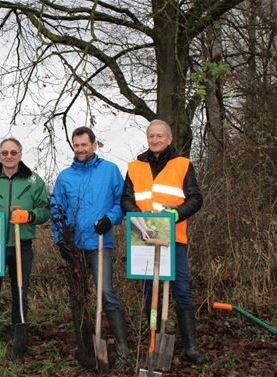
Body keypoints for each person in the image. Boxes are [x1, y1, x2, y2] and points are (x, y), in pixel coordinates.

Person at [121, 119, 207, 364]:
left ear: (169, 139)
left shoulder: (182, 165)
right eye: (151, 136)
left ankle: (190, 347)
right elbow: (126, 200)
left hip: (174, 238)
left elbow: (196, 198)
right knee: (152, 292)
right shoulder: (135, 167)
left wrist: (177, 214)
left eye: (160, 136)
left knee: (182, 289)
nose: (155, 140)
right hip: (144, 238)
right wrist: (138, 219)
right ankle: (154, 341)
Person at [50, 127, 130, 369]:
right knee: (78, 296)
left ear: (95, 145)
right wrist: (60, 240)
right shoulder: (65, 177)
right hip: (75, 246)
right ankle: (85, 344)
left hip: (99, 244)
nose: (80, 149)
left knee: (105, 292)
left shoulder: (110, 171)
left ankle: (123, 343)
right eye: (76, 145)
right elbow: (56, 211)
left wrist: (111, 217)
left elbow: (122, 202)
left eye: (84, 145)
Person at [0, 137, 49, 351]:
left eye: (13, 153)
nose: (9, 156)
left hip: (21, 244)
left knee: (20, 291)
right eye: (5, 153)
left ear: (20, 155)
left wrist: (30, 215)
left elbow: (45, 211)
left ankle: (18, 332)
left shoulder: (34, 181)